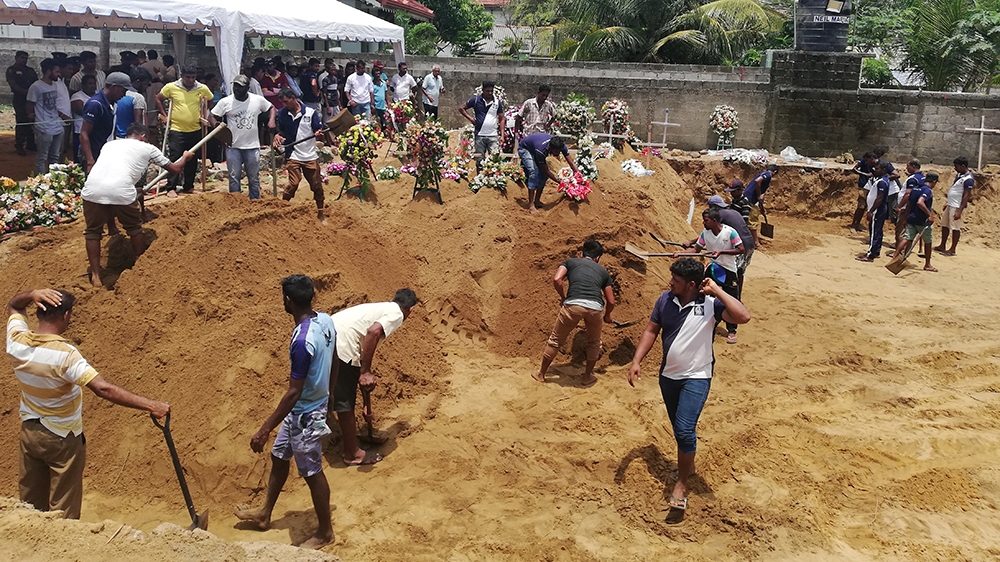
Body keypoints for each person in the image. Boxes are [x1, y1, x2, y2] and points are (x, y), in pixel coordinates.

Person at [7, 288, 170, 520]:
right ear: (65, 316)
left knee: (31, 505)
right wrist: (152, 405)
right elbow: (103, 388)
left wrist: (32, 294)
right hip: (62, 437)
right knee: (63, 509)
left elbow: (14, 305)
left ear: (38, 312)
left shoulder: (16, 342)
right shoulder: (65, 355)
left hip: (30, 432)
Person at [627, 258, 750, 524]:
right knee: (679, 428)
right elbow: (651, 330)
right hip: (668, 376)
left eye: (677, 281)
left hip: (697, 376)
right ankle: (689, 464)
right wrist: (637, 361)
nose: (671, 282)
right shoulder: (664, 300)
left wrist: (717, 290)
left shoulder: (710, 305)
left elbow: (743, 316)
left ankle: (681, 484)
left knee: (684, 430)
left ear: (692, 285)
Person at [235, 275, 336, 550]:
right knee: (279, 455)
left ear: (288, 301)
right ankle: (265, 513)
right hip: (307, 407)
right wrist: (330, 394)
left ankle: (325, 532)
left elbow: (293, 392)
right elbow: (336, 358)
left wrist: (264, 429)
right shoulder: (325, 320)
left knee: (312, 472)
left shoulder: (302, 341)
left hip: (305, 413)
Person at [82, 123, 192, 287]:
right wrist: (185, 157)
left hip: (92, 189)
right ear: (142, 136)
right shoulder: (148, 148)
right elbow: (175, 169)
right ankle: (139, 265)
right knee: (134, 228)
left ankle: (96, 277)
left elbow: (111, 176)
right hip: (121, 191)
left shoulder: (109, 144)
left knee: (92, 232)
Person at [330, 289, 418, 466]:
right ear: (411, 309)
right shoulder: (397, 314)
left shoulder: (381, 308)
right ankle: (352, 453)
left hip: (327, 336)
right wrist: (365, 372)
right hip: (343, 345)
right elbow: (373, 332)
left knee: (337, 389)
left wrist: (365, 403)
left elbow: (363, 356)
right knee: (345, 402)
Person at [534, 240, 615, 387]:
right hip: (595, 308)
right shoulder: (603, 272)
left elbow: (557, 279)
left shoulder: (570, 262)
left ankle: (541, 374)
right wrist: (608, 316)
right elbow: (611, 301)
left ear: (581, 253)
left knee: (556, 340)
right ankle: (586, 377)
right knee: (594, 343)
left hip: (573, 305)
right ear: (597, 258)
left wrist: (563, 297)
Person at [675, 208, 745, 344]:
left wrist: (722, 252)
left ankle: (732, 330)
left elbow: (740, 249)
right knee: (706, 295)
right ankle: (707, 323)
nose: (703, 222)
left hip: (728, 270)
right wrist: (680, 253)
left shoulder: (729, 232)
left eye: (706, 220)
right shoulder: (705, 234)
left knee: (731, 298)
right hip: (713, 268)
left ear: (714, 221)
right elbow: (696, 249)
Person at [211, 75, 275, 199]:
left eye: (240, 87)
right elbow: (212, 116)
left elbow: (271, 108)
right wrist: (218, 129)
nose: (236, 89)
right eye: (235, 86)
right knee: (234, 178)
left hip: (252, 146)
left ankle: (255, 201)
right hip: (233, 146)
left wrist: (271, 120)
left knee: (254, 178)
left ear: (247, 88)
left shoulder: (257, 100)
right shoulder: (226, 102)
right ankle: (236, 203)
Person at [156, 65, 213, 197]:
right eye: (188, 77)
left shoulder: (202, 88)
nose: (191, 80)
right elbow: (158, 99)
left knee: (192, 159)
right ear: (182, 76)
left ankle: (189, 186)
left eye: (193, 77)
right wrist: (164, 115)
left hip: (195, 129)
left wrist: (205, 113)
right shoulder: (171, 87)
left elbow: (210, 99)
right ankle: (171, 187)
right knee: (175, 158)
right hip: (177, 129)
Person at [274, 88, 327, 223]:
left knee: (316, 185)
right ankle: (282, 209)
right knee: (293, 183)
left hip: (309, 155)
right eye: (282, 103)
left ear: (293, 98)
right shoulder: (282, 114)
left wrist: (318, 134)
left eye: (286, 102)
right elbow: (282, 132)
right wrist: (278, 136)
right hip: (293, 154)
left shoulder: (310, 112)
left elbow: (318, 129)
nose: (284, 105)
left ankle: (321, 212)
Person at [26, 58, 72, 174]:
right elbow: (30, 105)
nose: (59, 74)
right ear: (48, 71)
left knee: (55, 157)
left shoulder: (54, 85)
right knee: (42, 157)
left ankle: (54, 181)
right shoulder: (36, 87)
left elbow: (53, 106)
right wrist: (34, 123)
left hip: (56, 126)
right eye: (56, 71)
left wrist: (62, 116)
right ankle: (40, 182)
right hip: (43, 127)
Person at [706, 194, 755, 301]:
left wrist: (692, 241)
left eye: (710, 207)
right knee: (740, 272)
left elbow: (709, 231)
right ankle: (737, 298)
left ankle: (729, 299)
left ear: (714, 206)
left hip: (739, 245)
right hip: (749, 244)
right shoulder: (733, 212)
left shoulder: (719, 215)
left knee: (731, 271)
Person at [517, 133, 579, 213]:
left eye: (560, 151)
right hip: (525, 148)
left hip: (535, 146)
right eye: (556, 151)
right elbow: (546, 170)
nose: (558, 153)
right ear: (550, 148)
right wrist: (560, 182)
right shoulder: (541, 150)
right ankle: (531, 205)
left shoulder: (561, 146)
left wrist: (579, 176)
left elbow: (571, 163)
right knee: (534, 173)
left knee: (543, 176)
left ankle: (537, 201)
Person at [80, 72, 128, 174]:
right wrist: (90, 161)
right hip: (94, 153)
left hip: (105, 152)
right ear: (114, 87)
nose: (124, 95)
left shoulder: (112, 103)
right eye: (123, 90)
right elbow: (84, 133)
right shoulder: (95, 105)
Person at [895, 172, 938, 272]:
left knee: (906, 238)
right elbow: (920, 202)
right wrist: (929, 215)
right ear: (934, 181)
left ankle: (895, 258)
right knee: (928, 242)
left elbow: (909, 205)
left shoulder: (914, 189)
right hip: (922, 221)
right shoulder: (927, 190)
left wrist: (905, 219)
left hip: (911, 218)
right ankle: (927, 264)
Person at [460, 81, 506, 173]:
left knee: (494, 159)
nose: (489, 93)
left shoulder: (497, 102)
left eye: (491, 91)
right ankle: (479, 179)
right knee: (479, 160)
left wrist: (502, 135)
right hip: (479, 135)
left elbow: (502, 118)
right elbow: (461, 108)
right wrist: (471, 119)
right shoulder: (476, 100)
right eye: (487, 91)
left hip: (493, 135)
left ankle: (492, 180)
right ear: (483, 90)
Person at [935, 157, 974, 256]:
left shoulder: (968, 179)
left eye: (956, 166)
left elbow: (966, 195)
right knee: (945, 225)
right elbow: (954, 189)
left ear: (963, 166)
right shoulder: (959, 175)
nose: (955, 168)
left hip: (957, 206)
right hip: (951, 204)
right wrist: (948, 202)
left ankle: (952, 249)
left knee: (955, 227)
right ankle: (942, 245)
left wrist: (959, 210)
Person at [857, 161, 890, 262]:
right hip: (878, 210)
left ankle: (870, 255)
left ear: (883, 170)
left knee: (874, 232)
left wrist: (871, 211)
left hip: (877, 210)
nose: (875, 170)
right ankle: (876, 251)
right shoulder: (881, 180)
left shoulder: (882, 182)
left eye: (877, 168)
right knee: (877, 231)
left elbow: (879, 198)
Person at [7, 51, 39, 155]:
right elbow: (13, 85)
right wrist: (26, 92)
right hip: (20, 99)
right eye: (22, 58)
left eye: (26, 58)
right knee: (21, 121)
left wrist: (32, 94)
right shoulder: (11, 70)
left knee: (31, 119)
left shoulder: (30, 71)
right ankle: (19, 145)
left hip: (31, 99)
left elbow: (36, 82)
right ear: (16, 58)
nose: (24, 60)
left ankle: (30, 143)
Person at [892, 159, 924, 248]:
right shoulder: (922, 177)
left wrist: (899, 206)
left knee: (901, 230)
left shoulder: (913, 179)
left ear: (913, 167)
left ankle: (900, 251)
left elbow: (908, 194)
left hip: (906, 207)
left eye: (908, 166)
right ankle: (904, 249)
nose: (906, 168)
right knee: (908, 230)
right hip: (913, 207)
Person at [113, 68, 151, 139]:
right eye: (145, 84)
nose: (146, 88)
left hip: (116, 138)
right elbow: (138, 123)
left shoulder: (116, 96)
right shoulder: (138, 97)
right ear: (138, 81)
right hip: (131, 139)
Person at [744, 163, 778, 243]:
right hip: (751, 199)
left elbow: (760, 198)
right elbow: (757, 181)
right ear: (775, 172)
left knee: (746, 218)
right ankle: (755, 243)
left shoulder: (762, 174)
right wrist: (759, 195)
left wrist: (761, 208)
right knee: (753, 220)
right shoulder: (768, 175)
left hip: (747, 197)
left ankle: (748, 237)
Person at [70, 75, 97, 163]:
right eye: (89, 83)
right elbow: (81, 111)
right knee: (80, 158)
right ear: (83, 85)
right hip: (80, 131)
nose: (92, 86)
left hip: (95, 132)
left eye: (94, 83)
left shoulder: (98, 95)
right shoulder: (77, 96)